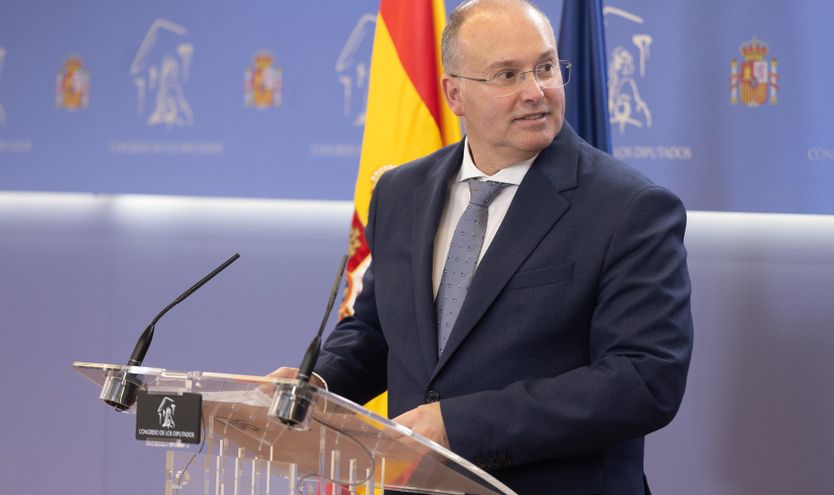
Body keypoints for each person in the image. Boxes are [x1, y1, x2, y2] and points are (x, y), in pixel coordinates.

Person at [276, 1, 693, 493]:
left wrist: (459, 425)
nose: (535, 91)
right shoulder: (400, 192)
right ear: (454, 93)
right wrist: (317, 386)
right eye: (507, 75)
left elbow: (643, 380)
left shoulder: (630, 207)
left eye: (545, 68)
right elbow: (376, 330)